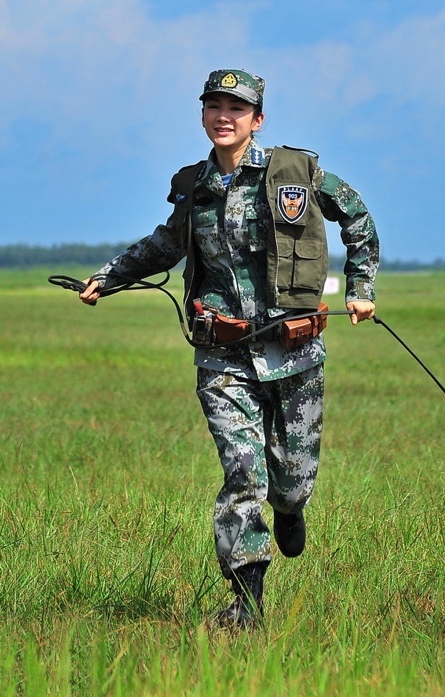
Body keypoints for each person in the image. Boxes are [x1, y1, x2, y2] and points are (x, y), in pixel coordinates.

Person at [80, 69, 379, 631]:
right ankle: (247, 604)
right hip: (222, 354)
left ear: (256, 120)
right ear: (202, 116)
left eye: (237, 108)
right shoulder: (195, 187)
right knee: (244, 474)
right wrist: (109, 277)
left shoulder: (296, 175)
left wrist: (361, 290)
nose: (225, 116)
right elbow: (166, 244)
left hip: (294, 354)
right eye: (214, 106)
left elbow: (358, 221)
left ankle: (290, 511)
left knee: (290, 481)